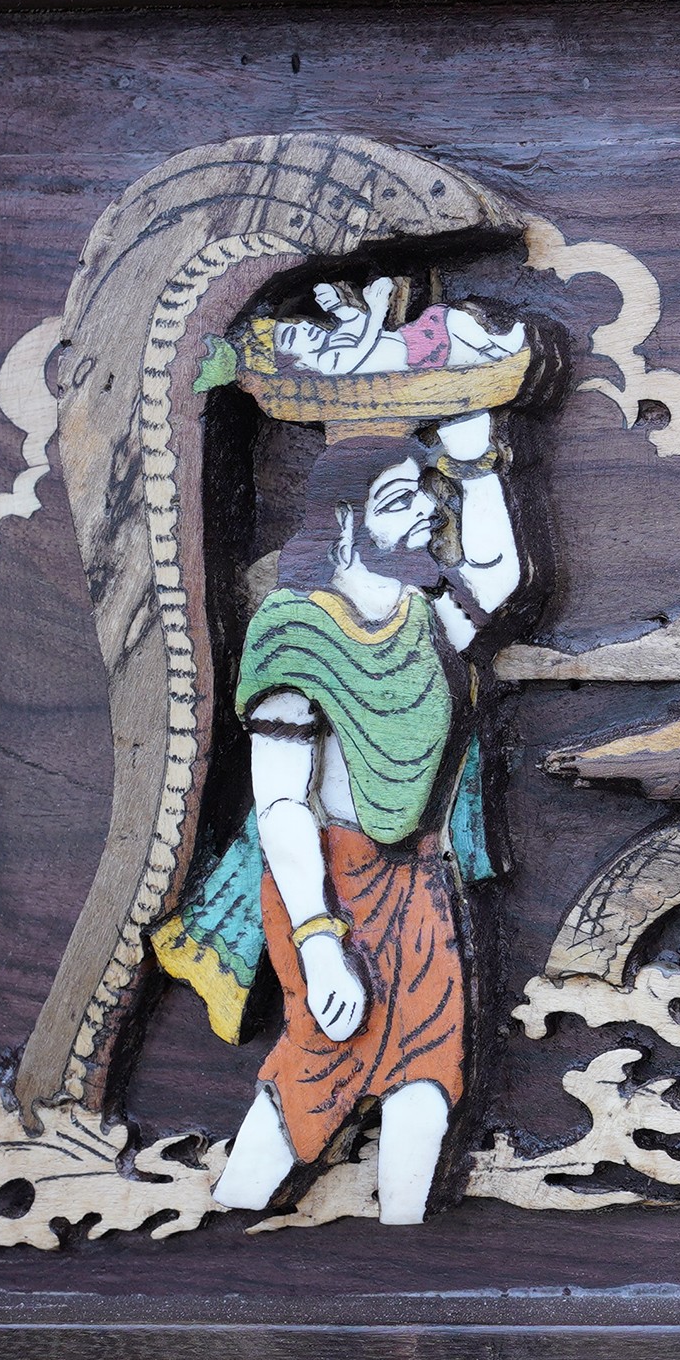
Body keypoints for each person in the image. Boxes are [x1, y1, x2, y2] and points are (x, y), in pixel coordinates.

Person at [153, 410, 521, 1224]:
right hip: (328, 886)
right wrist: (321, 948)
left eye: (424, 494)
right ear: (346, 524)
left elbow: (496, 578)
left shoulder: (420, 617)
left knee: (430, 1076)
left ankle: (408, 1244)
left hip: (420, 879)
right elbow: (282, 802)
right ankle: (235, 1216)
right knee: (317, 1069)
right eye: (400, 500)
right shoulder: (293, 632)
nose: (426, 510)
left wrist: (478, 465)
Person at [271, 276, 527, 376]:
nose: (304, 327)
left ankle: (495, 347)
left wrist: (336, 307)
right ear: (295, 359)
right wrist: (377, 309)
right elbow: (363, 349)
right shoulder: (327, 363)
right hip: (414, 355)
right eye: (292, 336)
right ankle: (495, 352)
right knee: (450, 321)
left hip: (408, 339)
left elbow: (356, 323)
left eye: (298, 324)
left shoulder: (333, 338)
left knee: (444, 315)